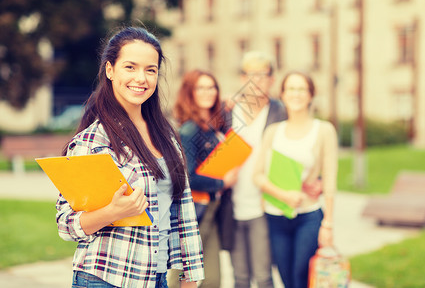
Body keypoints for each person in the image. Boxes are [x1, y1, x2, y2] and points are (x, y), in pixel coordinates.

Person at [56, 26, 204, 288]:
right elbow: (66, 225)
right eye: (130, 67)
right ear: (110, 70)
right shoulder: (93, 141)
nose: (141, 78)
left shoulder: (166, 136)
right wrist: (113, 212)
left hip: (156, 279)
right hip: (106, 278)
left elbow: (182, 211)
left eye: (151, 70)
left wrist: (189, 275)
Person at [253, 71, 337, 288]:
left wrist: (328, 224)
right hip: (276, 216)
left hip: (308, 216)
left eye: (302, 89)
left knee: (301, 275)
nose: (296, 94)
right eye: (291, 88)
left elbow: (329, 180)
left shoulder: (324, 130)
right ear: (282, 94)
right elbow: (258, 175)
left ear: (311, 95)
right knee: (286, 277)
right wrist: (285, 195)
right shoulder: (273, 131)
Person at [171, 69, 239, 288]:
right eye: (201, 87)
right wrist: (223, 183)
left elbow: (226, 140)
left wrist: (227, 110)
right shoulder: (190, 129)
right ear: (190, 92)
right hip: (195, 211)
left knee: (212, 279)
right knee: (183, 277)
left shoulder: (210, 126)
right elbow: (188, 177)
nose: (208, 92)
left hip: (212, 208)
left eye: (212, 87)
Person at [229, 51, 287, 288]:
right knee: (240, 278)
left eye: (262, 75)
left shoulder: (279, 112)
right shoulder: (227, 112)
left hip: (263, 206)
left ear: (272, 79)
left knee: (263, 277)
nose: (257, 81)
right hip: (231, 206)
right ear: (243, 78)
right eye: (251, 75)